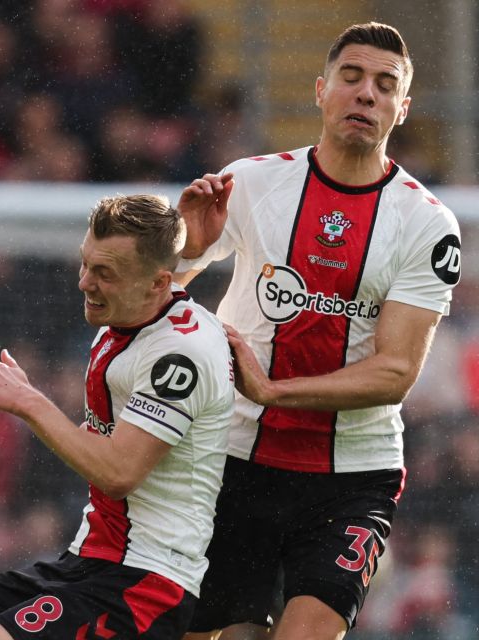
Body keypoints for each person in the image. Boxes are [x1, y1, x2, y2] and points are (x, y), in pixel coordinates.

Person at [174, 22, 462, 640]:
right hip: (234, 455)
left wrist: (274, 390)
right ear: (321, 89)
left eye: (385, 86)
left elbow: (395, 373)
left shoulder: (427, 224)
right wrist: (184, 249)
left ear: (401, 109)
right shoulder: (251, 182)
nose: (366, 95)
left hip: (353, 474)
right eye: (352, 78)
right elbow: (154, 282)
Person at [0, 194, 235, 640]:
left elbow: (118, 472)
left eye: (104, 274)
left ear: (155, 284)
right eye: (85, 263)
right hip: (87, 561)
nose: (84, 283)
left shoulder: (179, 355)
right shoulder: (128, 314)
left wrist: (30, 402)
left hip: (143, 583)